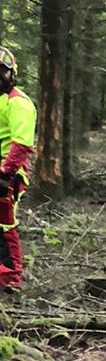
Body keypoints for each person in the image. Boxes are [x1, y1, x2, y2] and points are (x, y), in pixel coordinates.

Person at [0, 48, 36, 292]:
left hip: (9, 173)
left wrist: (5, 172)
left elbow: (21, 144)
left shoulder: (18, 103)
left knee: (3, 223)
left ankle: (10, 278)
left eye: (1, 72)